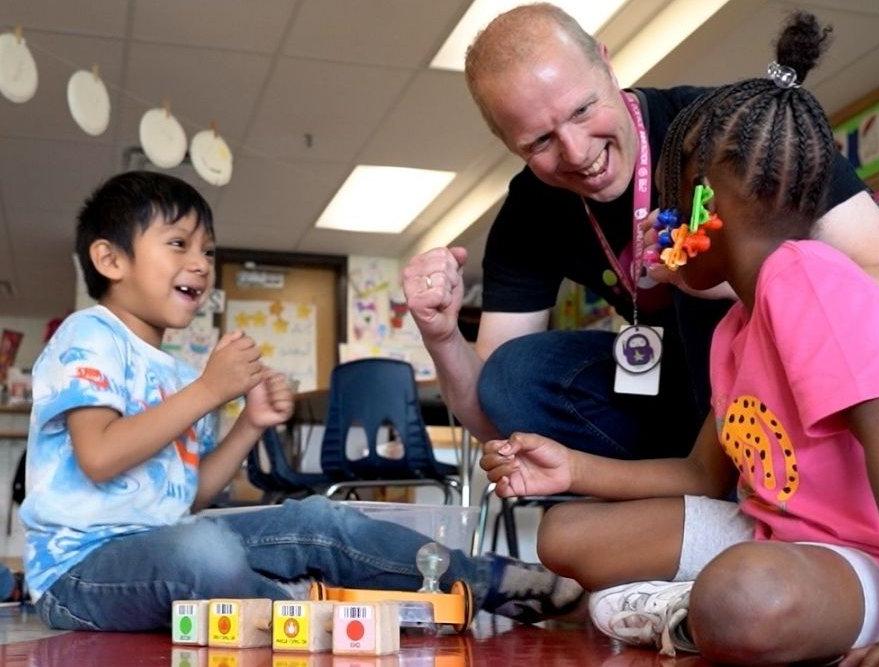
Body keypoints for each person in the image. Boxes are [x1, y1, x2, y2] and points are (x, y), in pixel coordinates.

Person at [480, 12, 879, 665]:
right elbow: (699, 473)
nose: (653, 233)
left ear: (705, 212)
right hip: (780, 528)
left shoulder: (809, 283)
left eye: (666, 210)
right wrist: (572, 468)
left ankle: (704, 609)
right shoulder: (737, 329)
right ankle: (694, 608)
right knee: (566, 531)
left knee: (743, 596)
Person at [19, 171, 582, 632]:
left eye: (208, 250)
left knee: (318, 518)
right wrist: (210, 391)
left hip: (163, 546)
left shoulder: (176, 371)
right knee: (204, 555)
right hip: (78, 575)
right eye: (177, 244)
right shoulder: (88, 334)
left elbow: (186, 497)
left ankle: (482, 579)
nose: (200, 263)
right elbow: (99, 456)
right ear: (110, 260)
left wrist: (249, 425)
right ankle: (312, 607)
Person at [403, 2, 879, 464]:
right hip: (685, 413)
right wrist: (443, 336)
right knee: (513, 376)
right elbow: (499, 409)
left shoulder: (739, 131)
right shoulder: (531, 211)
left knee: (709, 275)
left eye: (584, 109)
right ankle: (683, 489)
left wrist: (739, 281)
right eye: (539, 143)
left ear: (607, 67)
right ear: (507, 144)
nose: (577, 153)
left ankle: (736, 493)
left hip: (798, 399)